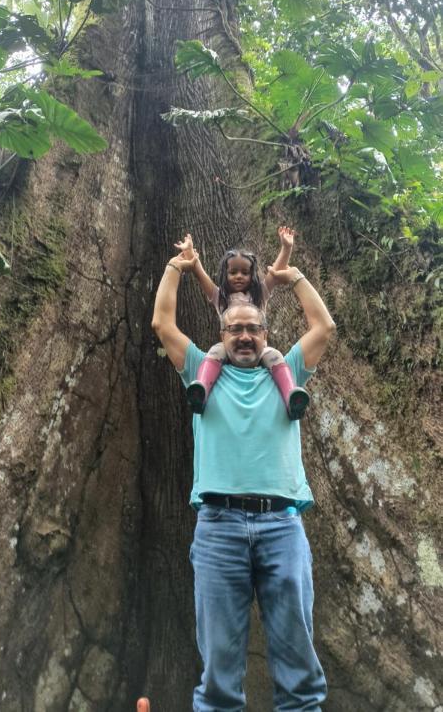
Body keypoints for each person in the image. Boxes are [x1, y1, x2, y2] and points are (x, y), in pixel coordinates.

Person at [151, 242, 336, 712]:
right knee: (219, 673)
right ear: (222, 333)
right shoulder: (199, 370)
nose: (245, 337)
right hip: (218, 528)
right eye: (235, 329)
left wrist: (291, 275)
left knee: (298, 666)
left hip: (282, 526)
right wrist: (177, 267)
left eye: (253, 329)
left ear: (266, 333)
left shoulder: (289, 371)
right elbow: (162, 324)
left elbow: (324, 327)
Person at [174, 228, 310, 420]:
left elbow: (276, 273)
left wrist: (286, 248)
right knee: (214, 351)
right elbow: (200, 276)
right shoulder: (220, 297)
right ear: (225, 274)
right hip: (230, 350)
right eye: (233, 272)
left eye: (245, 272)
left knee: (275, 355)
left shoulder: (259, 294)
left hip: (257, 349)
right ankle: (201, 390)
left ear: (252, 275)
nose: (239, 276)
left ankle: (291, 397)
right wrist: (189, 254)